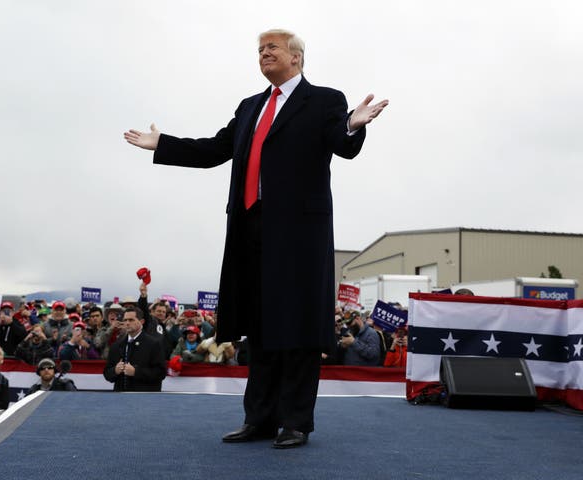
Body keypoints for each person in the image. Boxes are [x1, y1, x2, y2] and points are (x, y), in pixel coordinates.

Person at [124, 28, 388, 448]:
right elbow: (215, 149)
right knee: (261, 327)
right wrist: (164, 144)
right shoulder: (250, 107)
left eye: (272, 48)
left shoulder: (324, 100)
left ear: (296, 58)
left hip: (299, 234)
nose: (264, 54)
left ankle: (296, 422)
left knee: (298, 327)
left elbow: (343, 144)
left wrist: (354, 125)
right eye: (260, 49)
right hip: (251, 229)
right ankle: (260, 419)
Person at [103, 306, 166, 392]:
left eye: (131, 320)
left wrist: (136, 372)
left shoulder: (154, 344)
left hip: (145, 398)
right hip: (120, 398)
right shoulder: (116, 346)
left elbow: (161, 373)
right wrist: (115, 371)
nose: (127, 323)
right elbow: (107, 374)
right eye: (125, 320)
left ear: (142, 322)